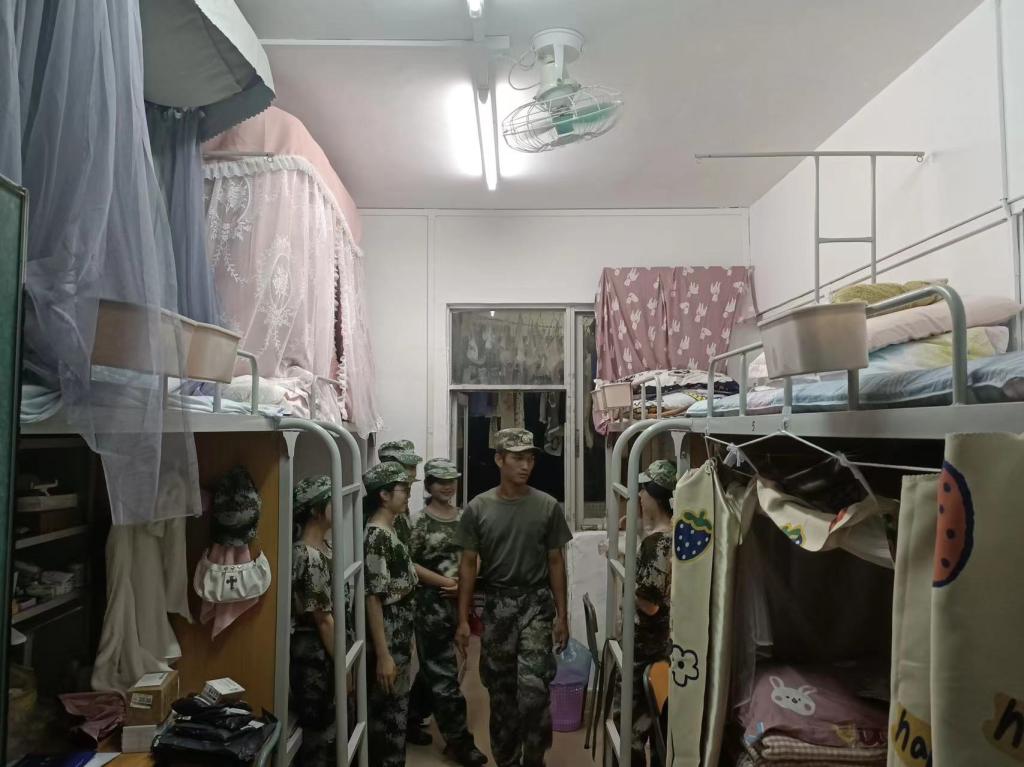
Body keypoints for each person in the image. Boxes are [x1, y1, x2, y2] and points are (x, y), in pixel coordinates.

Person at [455, 428, 573, 767]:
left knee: (534, 691)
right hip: (497, 606)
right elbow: (467, 565)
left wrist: (562, 616)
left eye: (530, 458)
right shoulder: (478, 508)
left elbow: (556, 562)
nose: (526, 465)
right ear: (499, 459)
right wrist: (463, 619)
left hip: (536, 604)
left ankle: (534, 759)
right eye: (518, 458)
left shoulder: (547, 506)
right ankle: (507, 760)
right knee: (502, 693)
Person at [407, 459, 488, 766]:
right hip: (431, 604)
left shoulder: (465, 518)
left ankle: (410, 717)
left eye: (452, 480)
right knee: (443, 675)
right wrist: (447, 583)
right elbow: (410, 564)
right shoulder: (418, 522)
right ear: (429, 484)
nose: (448, 486)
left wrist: (465, 585)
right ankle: (460, 743)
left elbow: (476, 555)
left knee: (434, 669)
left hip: (460, 601)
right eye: (441, 481)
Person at [613, 459, 676, 767]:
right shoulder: (675, 532)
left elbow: (649, 604)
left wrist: (628, 576)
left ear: (653, 494)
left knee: (630, 726)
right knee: (660, 723)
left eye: (642, 490)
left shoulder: (656, 544)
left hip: (645, 648)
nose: (638, 495)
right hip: (663, 646)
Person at [363, 462, 419, 767]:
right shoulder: (377, 536)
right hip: (389, 629)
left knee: (397, 711)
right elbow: (373, 597)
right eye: (403, 489)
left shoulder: (391, 529)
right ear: (384, 495)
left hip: (399, 628)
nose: (408, 494)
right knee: (389, 718)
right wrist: (384, 656)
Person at [291, 475, 340, 767]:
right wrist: (343, 666)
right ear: (315, 510)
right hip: (314, 654)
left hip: (325, 648)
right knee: (319, 733)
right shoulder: (308, 556)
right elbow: (323, 620)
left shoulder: (324, 548)